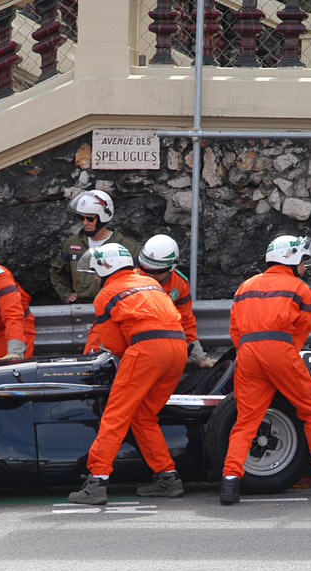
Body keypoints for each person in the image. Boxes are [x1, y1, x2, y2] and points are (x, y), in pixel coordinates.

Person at [219, 235, 311, 505]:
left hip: (248, 355)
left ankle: (230, 482)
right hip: (280, 351)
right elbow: (301, 331)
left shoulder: (245, 286)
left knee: (246, 422)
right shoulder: (300, 288)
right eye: (303, 261)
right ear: (291, 258)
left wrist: (253, 352)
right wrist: (281, 357)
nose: (305, 267)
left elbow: (235, 330)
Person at [67, 243, 188, 505]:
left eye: (96, 271)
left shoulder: (105, 295)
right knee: (144, 415)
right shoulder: (150, 283)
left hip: (146, 350)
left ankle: (97, 481)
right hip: (178, 349)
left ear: (105, 267)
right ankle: (168, 476)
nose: (95, 277)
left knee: (116, 415)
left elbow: (115, 346)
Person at [49, 189, 139, 352]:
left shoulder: (125, 245)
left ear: (103, 217)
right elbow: (57, 272)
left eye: (90, 218)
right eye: (81, 218)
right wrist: (66, 294)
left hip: (112, 310)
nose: (85, 223)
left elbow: (136, 278)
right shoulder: (73, 243)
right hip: (81, 307)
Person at [137, 234, 216, 369]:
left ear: (170, 267)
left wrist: (199, 357)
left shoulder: (179, 284)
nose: (150, 274)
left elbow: (186, 322)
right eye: (145, 268)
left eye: (156, 271)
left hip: (162, 346)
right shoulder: (131, 278)